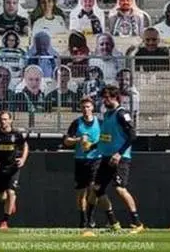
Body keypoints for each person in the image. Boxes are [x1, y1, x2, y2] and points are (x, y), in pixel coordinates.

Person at [91, 86, 145, 234]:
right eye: (103, 97)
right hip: (106, 157)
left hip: (120, 158)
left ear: (115, 97)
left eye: (107, 97)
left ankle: (137, 222)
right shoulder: (107, 115)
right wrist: (93, 146)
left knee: (120, 188)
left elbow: (132, 135)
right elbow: (106, 138)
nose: (104, 100)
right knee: (97, 189)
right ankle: (113, 223)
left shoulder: (122, 114)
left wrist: (119, 153)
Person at [62, 97, 102, 230]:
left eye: (88, 107)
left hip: (96, 159)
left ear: (93, 108)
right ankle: (83, 219)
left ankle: (91, 217)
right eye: (83, 107)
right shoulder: (76, 123)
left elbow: (107, 138)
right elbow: (66, 141)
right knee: (81, 193)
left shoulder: (100, 123)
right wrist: (79, 139)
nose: (86, 110)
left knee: (93, 188)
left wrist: (95, 145)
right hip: (80, 160)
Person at [0, 111, 29, 230]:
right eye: (1, 119)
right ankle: (11, 201)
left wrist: (23, 159)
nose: (3, 121)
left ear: (10, 120)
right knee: (1, 197)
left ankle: (5, 221)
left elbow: (25, 146)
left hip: (13, 167)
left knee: (11, 192)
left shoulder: (16, 134)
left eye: (5, 119)